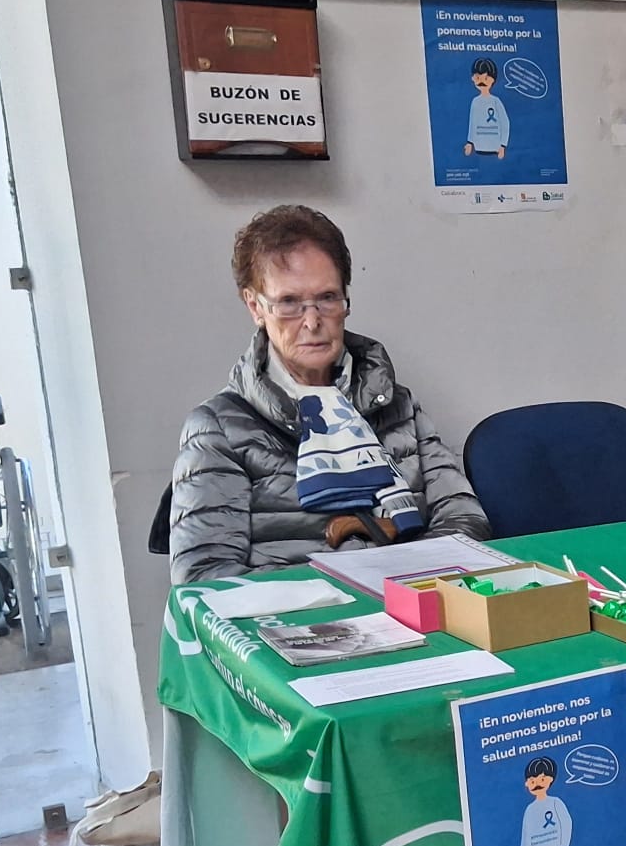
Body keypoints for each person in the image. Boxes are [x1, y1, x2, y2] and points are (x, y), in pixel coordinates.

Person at [170, 206, 489, 585]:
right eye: (289, 302)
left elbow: (465, 517)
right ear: (255, 306)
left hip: (417, 610)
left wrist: (407, 587)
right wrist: (344, 598)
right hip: (300, 629)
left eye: (327, 298)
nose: (311, 321)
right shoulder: (218, 429)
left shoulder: (396, 404)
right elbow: (203, 577)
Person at [516, 755, 572, 846]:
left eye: (542, 779)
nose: (537, 784)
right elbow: (525, 834)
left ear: (550, 779)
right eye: (532, 781)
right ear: (527, 783)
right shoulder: (529, 809)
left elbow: (566, 825)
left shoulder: (556, 802)